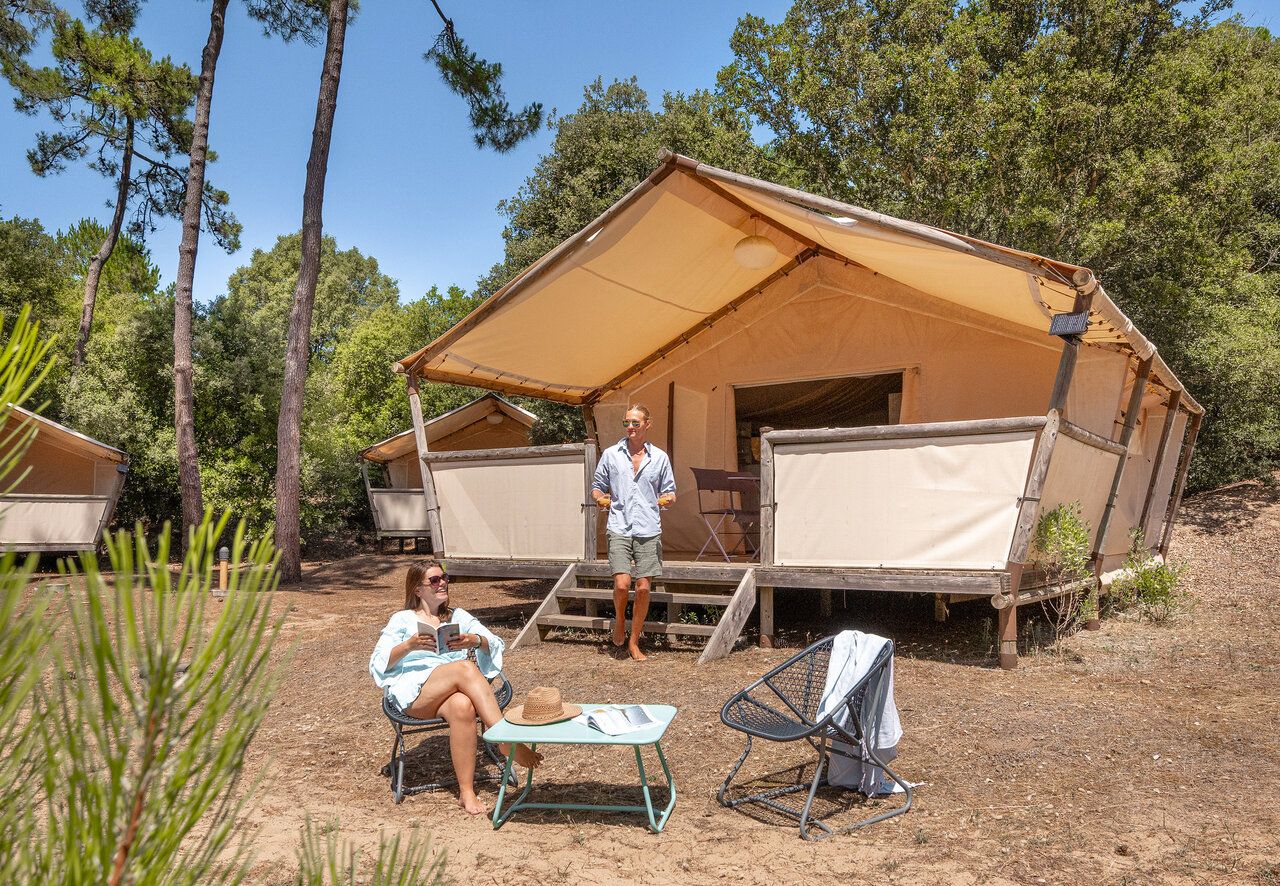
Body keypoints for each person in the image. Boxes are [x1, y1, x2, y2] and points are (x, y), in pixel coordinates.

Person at [369, 559, 542, 814]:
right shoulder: (402, 620)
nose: (442, 584)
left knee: (463, 706)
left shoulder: (458, 617)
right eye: (434, 580)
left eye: (444, 578)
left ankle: (466, 792)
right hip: (416, 694)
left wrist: (475, 640)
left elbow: (494, 643)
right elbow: (378, 663)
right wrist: (410, 646)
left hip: (453, 691)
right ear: (418, 589)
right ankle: (503, 739)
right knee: (465, 668)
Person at [591, 404, 676, 661]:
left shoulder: (659, 457)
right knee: (622, 583)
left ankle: (634, 641)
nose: (630, 427)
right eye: (626, 422)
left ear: (647, 424)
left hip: (648, 527)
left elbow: (670, 490)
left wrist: (668, 498)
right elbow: (597, 486)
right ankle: (619, 620)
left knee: (642, 588)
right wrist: (598, 497)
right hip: (618, 524)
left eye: (635, 423)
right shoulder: (610, 454)